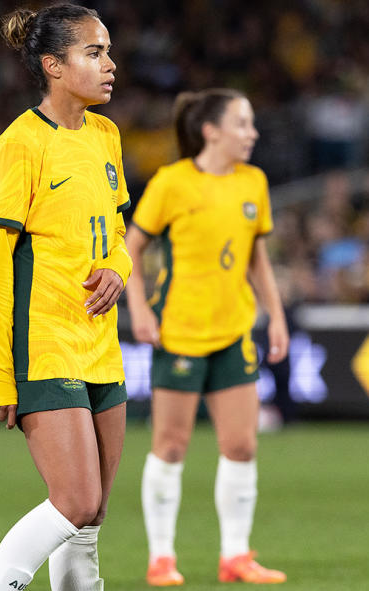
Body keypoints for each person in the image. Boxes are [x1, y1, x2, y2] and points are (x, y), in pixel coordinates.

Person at [0, 5, 131, 591]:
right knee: (73, 500)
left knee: (90, 517)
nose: (109, 64)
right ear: (53, 66)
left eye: (108, 50)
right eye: (93, 53)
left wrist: (118, 267)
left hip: (100, 342)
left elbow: (118, 234)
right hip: (45, 342)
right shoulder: (18, 145)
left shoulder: (107, 136)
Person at [125, 89, 290, 586]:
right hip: (180, 332)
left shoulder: (253, 182)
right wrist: (138, 308)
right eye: (243, 123)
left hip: (234, 331)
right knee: (171, 446)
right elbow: (129, 248)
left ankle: (235, 557)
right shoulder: (172, 183)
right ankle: (161, 558)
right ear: (211, 130)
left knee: (241, 446)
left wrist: (275, 316)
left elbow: (256, 257)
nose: (252, 133)